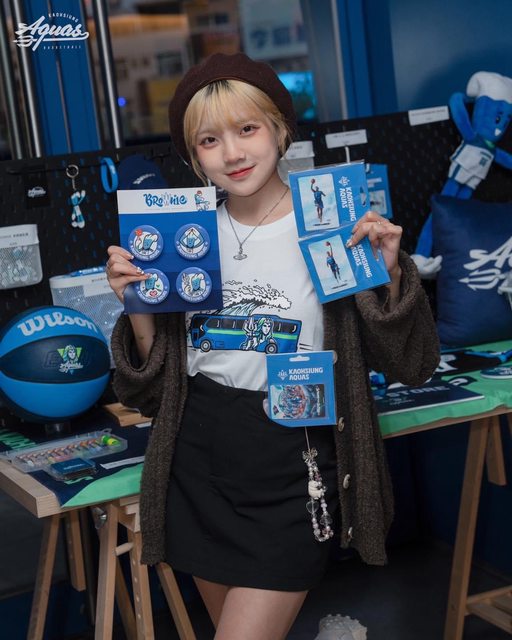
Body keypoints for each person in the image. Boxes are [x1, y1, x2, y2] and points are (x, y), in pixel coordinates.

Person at [105, 52, 440, 640]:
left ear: (281, 130)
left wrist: (390, 276)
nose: (232, 153)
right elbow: (148, 396)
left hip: (295, 466)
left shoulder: (334, 229)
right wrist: (137, 307)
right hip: (198, 463)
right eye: (210, 140)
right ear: (193, 156)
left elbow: (412, 365)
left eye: (247, 129)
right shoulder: (184, 240)